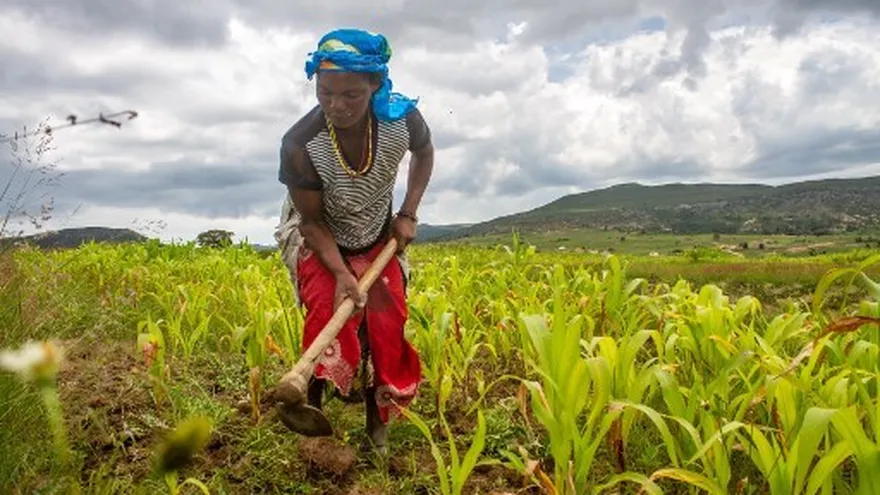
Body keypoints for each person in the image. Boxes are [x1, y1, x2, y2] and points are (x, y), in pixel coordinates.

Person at [273, 28, 434, 454]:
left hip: (378, 233)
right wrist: (343, 273)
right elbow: (311, 223)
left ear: (375, 85)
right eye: (325, 93)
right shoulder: (300, 144)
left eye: (350, 95)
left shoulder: (401, 120)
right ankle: (309, 402)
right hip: (321, 235)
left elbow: (426, 152)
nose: (336, 106)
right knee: (327, 311)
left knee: (386, 324)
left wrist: (408, 213)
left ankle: (377, 424)